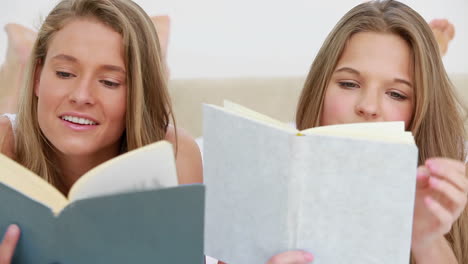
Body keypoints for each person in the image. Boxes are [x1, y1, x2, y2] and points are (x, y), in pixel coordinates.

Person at [263, 1, 468, 264]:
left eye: (396, 94)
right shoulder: (265, 187)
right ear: (320, 90)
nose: (368, 107)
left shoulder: (450, 192)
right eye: (348, 83)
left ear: (420, 112)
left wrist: (427, 241)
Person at [0, 0, 203, 263]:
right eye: (64, 73)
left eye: (109, 82)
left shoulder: (174, 155)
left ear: (137, 94)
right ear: (38, 77)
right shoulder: (4, 146)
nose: (82, 96)